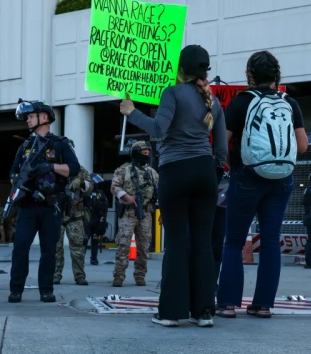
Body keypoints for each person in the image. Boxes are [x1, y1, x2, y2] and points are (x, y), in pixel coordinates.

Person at [121, 44, 227, 327]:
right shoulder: (212, 101)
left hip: (176, 171)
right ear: (204, 71)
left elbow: (158, 129)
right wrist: (212, 173)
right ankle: (204, 312)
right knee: (203, 243)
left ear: (180, 69)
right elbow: (222, 149)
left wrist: (131, 112)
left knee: (178, 241)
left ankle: (170, 312)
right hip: (205, 172)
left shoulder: (172, 93)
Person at [216, 50, 308, 319]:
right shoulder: (290, 103)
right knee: (270, 241)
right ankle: (263, 305)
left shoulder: (241, 102)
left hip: (246, 176)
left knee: (233, 241)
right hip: (281, 180)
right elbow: (302, 145)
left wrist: (230, 165)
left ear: (249, 76)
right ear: (277, 76)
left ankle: (228, 304)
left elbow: (223, 144)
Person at [6, 99, 80, 303]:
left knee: (49, 250)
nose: (27, 120)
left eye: (31, 116)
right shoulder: (26, 145)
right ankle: (16, 290)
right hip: (27, 205)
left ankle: (46, 289)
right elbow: (13, 171)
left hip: (50, 205)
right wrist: (17, 181)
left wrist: (51, 168)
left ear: (44, 117)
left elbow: (74, 168)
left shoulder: (60, 143)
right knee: (20, 247)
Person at [110, 141, 157, 288]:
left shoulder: (152, 172)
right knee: (123, 245)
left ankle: (140, 276)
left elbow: (159, 191)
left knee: (143, 247)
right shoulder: (124, 170)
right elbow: (114, 186)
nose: (147, 155)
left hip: (146, 213)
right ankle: (118, 276)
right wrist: (126, 197)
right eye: (144, 152)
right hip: (128, 213)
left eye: (148, 152)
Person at [54, 166, 93, 286]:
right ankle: (55, 274)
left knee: (78, 247)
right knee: (55, 247)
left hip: (75, 214)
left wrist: (81, 183)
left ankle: (79, 275)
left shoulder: (79, 169)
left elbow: (90, 187)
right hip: (56, 213)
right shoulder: (53, 167)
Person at [85, 184, 109, 266]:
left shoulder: (100, 193)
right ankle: (80, 259)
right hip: (87, 220)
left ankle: (94, 258)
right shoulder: (85, 192)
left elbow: (105, 206)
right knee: (85, 240)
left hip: (97, 220)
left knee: (95, 240)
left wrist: (103, 217)